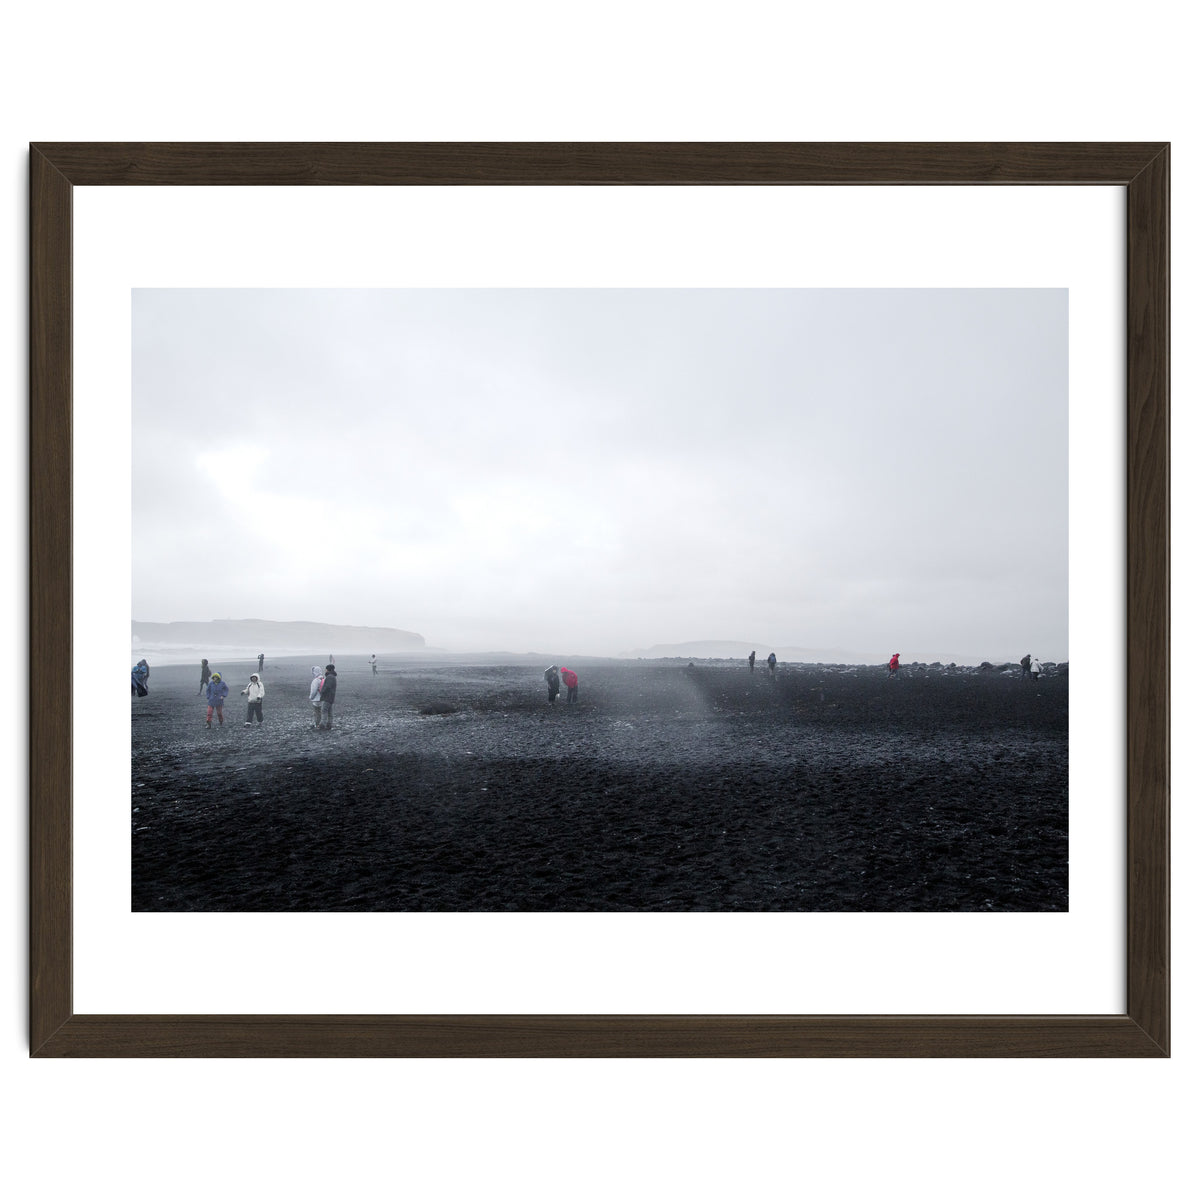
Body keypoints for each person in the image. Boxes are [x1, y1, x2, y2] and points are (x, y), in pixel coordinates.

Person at [319, 663, 338, 729]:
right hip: (331, 697)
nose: (325, 670)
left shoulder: (329, 677)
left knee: (324, 710)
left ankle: (322, 724)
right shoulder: (333, 677)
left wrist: (322, 692)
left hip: (327, 697)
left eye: (326, 669)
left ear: (328, 670)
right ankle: (329, 724)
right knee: (329, 711)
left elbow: (327, 687)